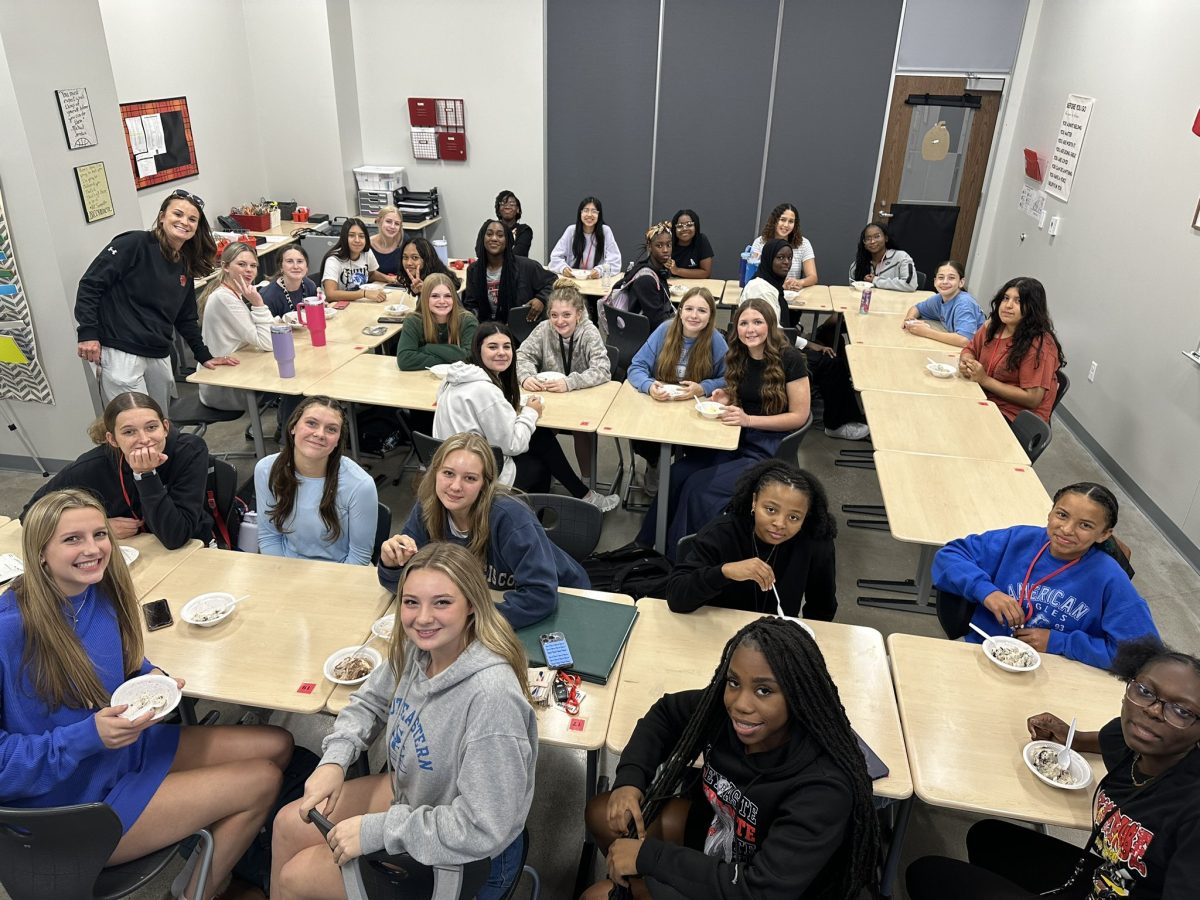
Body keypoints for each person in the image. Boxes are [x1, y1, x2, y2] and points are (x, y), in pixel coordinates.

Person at [1, 489, 293, 900]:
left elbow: (116, 660)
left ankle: (217, 856)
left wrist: (149, 675)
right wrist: (86, 738)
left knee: (277, 743)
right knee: (262, 780)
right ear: (40, 552)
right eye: (72, 539)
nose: (93, 550)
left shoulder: (97, 591)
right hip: (69, 810)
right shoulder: (8, 631)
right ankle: (196, 891)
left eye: (99, 534)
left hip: (119, 756)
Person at [270, 542, 538, 900]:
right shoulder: (419, 648)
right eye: (411, 602)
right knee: (288, 823)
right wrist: (336, 759)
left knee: (295, 877)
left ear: (472, 605)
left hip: (471, 856)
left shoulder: (493, 698)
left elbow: (481, 827)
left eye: (442, 602)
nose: (422, 618)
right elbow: (370, 701)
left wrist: (377, 831)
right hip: (417, 801)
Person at [581, 616, 879, 900]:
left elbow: (760, 891)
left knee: (595, 896)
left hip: (753, 887)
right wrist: (630, 781)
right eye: (734, 682)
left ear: (797, 695)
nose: (740, 704)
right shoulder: (723, 713)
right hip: (714, 842)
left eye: (764, 690)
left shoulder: (823, 787)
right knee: (604, 812)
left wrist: (651, 860)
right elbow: (665, 716)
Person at [906, 635, 1200, 900]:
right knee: (988, 837)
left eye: (1182, 710)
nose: (1152, 710)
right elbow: (1105, 739)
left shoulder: (1191, 809)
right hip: (1107, 880)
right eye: (1146, 691)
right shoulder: (1133, 740)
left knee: (928, 874)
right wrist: (1071, 737)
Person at [635, 298, 811, 551]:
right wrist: (727, 395)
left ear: (770, 325)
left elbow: (799, 416)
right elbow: (748, 395)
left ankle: (681, 558)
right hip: (734, 438)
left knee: (698, 488)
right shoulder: (740, 355)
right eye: (744, 323)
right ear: (735, 328)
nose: (750, 329)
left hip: (766, 450)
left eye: (757, 322)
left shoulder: (790, 358)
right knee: (675, 475)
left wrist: (748, 419)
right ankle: (645, 544)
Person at [933, 482, 1159, 670]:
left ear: (1103, 534)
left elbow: (1142, 656)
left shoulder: (1109, 577)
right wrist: (986, 591)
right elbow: (949, 556)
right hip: (981, 652)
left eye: (1085, 525)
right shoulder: (1019, 540)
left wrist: (1060, 642)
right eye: (1062, 515)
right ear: (1050, 513)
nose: (1067, 530)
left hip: (1055, 672)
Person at [377, 432, 589, 626]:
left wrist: (468, 620)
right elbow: (408, 587)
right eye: (448, 473)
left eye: (470, 478)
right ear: (434, 474)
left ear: (485, 485)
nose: (455, 486)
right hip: (497, 602)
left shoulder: (510, 518)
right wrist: (392, 566)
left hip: (565, 600)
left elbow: (541, 595)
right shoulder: (428, 508)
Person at [75, 189, 239, 412]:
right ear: (162, 216)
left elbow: (186, 317)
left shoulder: (183, 262)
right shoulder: (134, 244)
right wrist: (88, 333)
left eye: (192, 219)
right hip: (122, 350)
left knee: (159, 421)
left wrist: (203, 356)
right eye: (178, 214)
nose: (184, 222)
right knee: (135, 421)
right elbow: (90, 284)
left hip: (158, 352)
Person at [434, 323, 620, 511]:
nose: (501, 352)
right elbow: (513, 446)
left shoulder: (456, 378)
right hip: (479, 474)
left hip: (453, 462)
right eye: (492, 347)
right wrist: (531, 412)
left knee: (541, 437)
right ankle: (538, 519)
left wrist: (514, 410)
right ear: (478, 349)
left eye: (507, 347)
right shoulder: (485, 391)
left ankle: (584, 495)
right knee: (543, 461)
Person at [22, 392, 210, 550]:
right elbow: (30, 515)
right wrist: (99, 528)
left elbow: (176, 537)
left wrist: (145, 475)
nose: (144, 439)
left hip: (190, 548)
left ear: (166, 428)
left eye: (152, 427)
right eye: (129, 432)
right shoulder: (94, 465)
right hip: (126, 553)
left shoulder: (189, 451)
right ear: (112, 439)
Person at [667, 460, 838, 620]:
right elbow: (676, 597)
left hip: (776, 640)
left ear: (806, 516)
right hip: (716, 631)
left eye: (793, 517)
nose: (779, 524)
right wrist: (724, 572)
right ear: (755, 501)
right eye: (770, 509)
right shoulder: (723, 532)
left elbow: (822, 607)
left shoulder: (815, 543)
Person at [627, 287, 728, 496]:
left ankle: (686, 478)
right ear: (680, 311)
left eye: (702, 310)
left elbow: (729, 378)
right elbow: (636, 367)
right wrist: (649, 386)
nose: (694, 315)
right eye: (689, 308)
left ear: (710, 316)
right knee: (645, 436)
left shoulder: (716, 341)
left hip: (695, 411)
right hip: (659, 407)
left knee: (699, 451)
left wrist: (703, 388)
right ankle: (655, 465)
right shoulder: (664, 331)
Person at [254, 396, 379, 564]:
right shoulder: (266, 470)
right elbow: (269, 537)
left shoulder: (360, 485)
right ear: (293, 427)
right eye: (311, 423)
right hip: (287, 567)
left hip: (340, 573)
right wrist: (281, 578)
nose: (320, 434)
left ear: (338, 441)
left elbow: (359, 557)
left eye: (331, 429)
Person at [516, 279, 611, 475]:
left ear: (579, 314)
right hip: (550, 397)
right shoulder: (544, 329)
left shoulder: (589, 332)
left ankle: (586, 481)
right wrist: (526, 377)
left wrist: (570, 382)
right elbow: (521, 355)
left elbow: (603, 369)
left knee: (581, 430)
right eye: (554, 315)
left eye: (567, 315)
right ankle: (542, 475)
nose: (560, 321)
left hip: (582, 400)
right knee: (539, 429)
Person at [959, 276, 1065, 423]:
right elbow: (970, 349)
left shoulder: (1040, 345)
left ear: (1032, 307)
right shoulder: (993, 326)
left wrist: (985, 380)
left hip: (1015, 417)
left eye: (1018, 301)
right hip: (984, 397)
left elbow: (1032, 398)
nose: (1008, 305)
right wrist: (967, 362)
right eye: (1006, 298)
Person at [197, 242, 273, 411]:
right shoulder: (225, 298)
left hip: (234, 373)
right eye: (241, 264)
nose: (249, 270)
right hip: (225, 387)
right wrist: (258, 304)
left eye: (253, 265)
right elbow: (268, 342)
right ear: (225, 267)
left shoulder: (231, 293)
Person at [462, 219, 556, 324]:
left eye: (500, 235)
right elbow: (471, 305)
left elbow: (553, 282)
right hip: (486, 329)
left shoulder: (526, 266)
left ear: (507, 241)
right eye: (489, 234)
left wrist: (541, 299)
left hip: (519, 329)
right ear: (482, 239)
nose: (494, 238)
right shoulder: (473, 270)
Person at [601, 222, 675, 337]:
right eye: (659, 246)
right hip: (643, 338)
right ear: (649, 246)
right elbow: (658, 323)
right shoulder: (646, 279)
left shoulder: (653, 269)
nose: (665, 250)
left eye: (669, 245)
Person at [395, 274, 478, 371]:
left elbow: (471, 358)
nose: (442, 301)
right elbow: (405, 360)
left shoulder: (467, 320)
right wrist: (455, 357)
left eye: (447, 296)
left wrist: (427, 348)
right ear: (425, 298)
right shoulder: (413, 321)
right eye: (435, 296)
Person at [902, 260, 986, 349]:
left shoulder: (964, 303)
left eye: (951, 278)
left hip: (980, 351)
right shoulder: (939, 298)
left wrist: (926, 332)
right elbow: (917, 308)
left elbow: (965, 340)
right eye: (941, 277)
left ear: (961, 282)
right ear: (935, 281)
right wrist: (910, 318)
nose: (945, 282)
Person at [548, 196, 622, 279]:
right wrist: (563, 268)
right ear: (580, 213)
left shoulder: (605, 231)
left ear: (599, 215)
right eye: (586, 211)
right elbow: (555, 257)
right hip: (573, 280)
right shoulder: (571, 230)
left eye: (594, 211)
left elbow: (615, 261)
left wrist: (600, 270)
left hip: (596, 281)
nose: (589, 215)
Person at [320, 218, 389, 304]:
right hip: (336, 307)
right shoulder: (333, 260)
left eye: (361, 236)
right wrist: (363, 293)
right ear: (344, 238)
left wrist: (389, 279)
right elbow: (330, 294)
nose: (357, 240)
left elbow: (370, 274)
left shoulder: (366, 253)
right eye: (352, 235)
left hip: (357, 303)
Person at [749, 203, 817, 289]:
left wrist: (799, 282)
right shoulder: (760, 242)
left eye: (791, 221)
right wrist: (779, 284)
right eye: (783, 220)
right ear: (774, 220)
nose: (786, 225)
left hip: (792, 293)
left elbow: (813, 277)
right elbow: (753, 275)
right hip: (766, 292)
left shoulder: (804, 244)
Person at [849, 221, 917, 291]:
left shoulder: (901, 257)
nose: (872, 241)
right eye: (868, 239)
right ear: (864, 244)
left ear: (886, 238)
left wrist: (876, 280)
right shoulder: (856, 266)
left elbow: (910, 284)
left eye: (877, 236)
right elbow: (853, 292)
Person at [260, 245, 319, 317]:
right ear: (280, 267)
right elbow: (267, 326)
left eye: (300, 261)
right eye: (290, 261)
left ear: (306, 267)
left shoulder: (310, 285)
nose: (296, 266)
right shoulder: (268, 296)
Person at [396, 236, 460, 298]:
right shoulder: (414, 278)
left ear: (426, 259)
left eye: (415, 257)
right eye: (405, 257)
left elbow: (441, 306)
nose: (408, 263)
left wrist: (426, 291)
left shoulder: (441, 282)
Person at [666, 209, 713, 279]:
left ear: (696, 227)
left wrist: (677, 270)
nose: (684, 229)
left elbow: (706, 273)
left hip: (698, 285)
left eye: (689, 225)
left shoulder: (701, 240)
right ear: (674, 229)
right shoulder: (668, 242)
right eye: (679, 226)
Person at [369, 206, 405, 280]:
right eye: (388, 221)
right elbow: (366, 272)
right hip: (374, 287)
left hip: (399, 287)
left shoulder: (405, 241)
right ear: (379, 221)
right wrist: (388, 278)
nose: (392, 226)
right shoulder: (367, 244)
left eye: (397, 224)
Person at [495, 189, 533, 257]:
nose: (507, 207)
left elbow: (519, 254)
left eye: (511, 204)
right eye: (503, 204)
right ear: (498, 209)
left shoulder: (524, 230)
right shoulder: (490, 228)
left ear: (518, 209)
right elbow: (480, 251)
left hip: (516, 267)